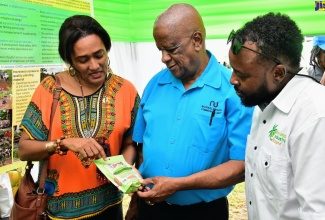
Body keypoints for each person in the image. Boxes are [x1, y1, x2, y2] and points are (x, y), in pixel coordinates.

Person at [125, 3, 253, 220]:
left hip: (203, 212)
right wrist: (135, 200)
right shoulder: (155, 85)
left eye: (171, 49)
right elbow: (141, 147)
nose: (164, 58)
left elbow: (241, 166)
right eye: (160, 50)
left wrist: (178, 185)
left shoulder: (232, 90)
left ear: (197, 40)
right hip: (151, 207)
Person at [18, 15, 140, 220]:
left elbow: (131, 143)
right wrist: (63, 143)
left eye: (99, 55)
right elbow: (23, 150)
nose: (94, 65)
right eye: (83, 60)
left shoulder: (124, 90)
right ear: (70, 60)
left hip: (110, 206)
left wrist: (121, 172)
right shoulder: (49, 90)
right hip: (59, 212)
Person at [227, 12, 325, 220]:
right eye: (233, 71)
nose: (232, 80)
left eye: (242, 75)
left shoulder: (315, 117)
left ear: (278, 73)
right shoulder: (263, 101)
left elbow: (317, 212)